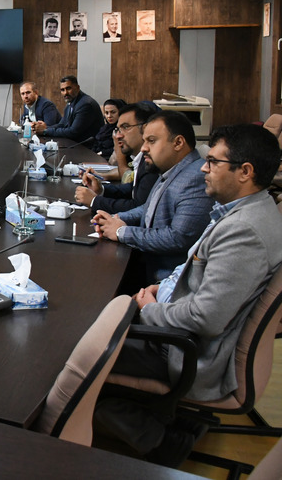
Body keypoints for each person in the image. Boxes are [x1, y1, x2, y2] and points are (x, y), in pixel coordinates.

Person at [96, 124, 282, 464]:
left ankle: (162, 442)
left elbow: (206, 318)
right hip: (182, 334)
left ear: (245, 172)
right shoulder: (249, 210)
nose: (203, 169)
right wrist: (164, 288)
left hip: (184, 351)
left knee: (78, 353)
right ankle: (172, 420)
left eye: (213, 162)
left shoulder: (244, 231)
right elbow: (199, 277)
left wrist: (150, 309)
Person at [93, 110, 213, 287]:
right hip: (145, 264)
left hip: (163, 281)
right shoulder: (171, 168)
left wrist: (121, 232)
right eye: (144, 141)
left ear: (178, 143)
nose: (144, 148)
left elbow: (177, 238)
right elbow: (148, 207)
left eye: (151, 141)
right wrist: (116, 218)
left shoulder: (196, 178)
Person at [76, 102, 159, 214]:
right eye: (118, 129)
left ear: (145, 129)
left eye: (125, 127)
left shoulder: (153, 162)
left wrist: (94, 201)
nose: (118, 135)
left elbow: (139, 207)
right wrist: (101, 190)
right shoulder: (141, 158)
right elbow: (133, 189)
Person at [33, 75, 104, 147]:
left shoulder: (85, 104)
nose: (65, 93)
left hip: (89, 148)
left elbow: (73, 132)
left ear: (77, 87)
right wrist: (44, 128)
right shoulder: (71, 102)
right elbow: (62, 125)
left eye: (68, 88)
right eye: (62, 90)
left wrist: (45, 131)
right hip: (75, 145)